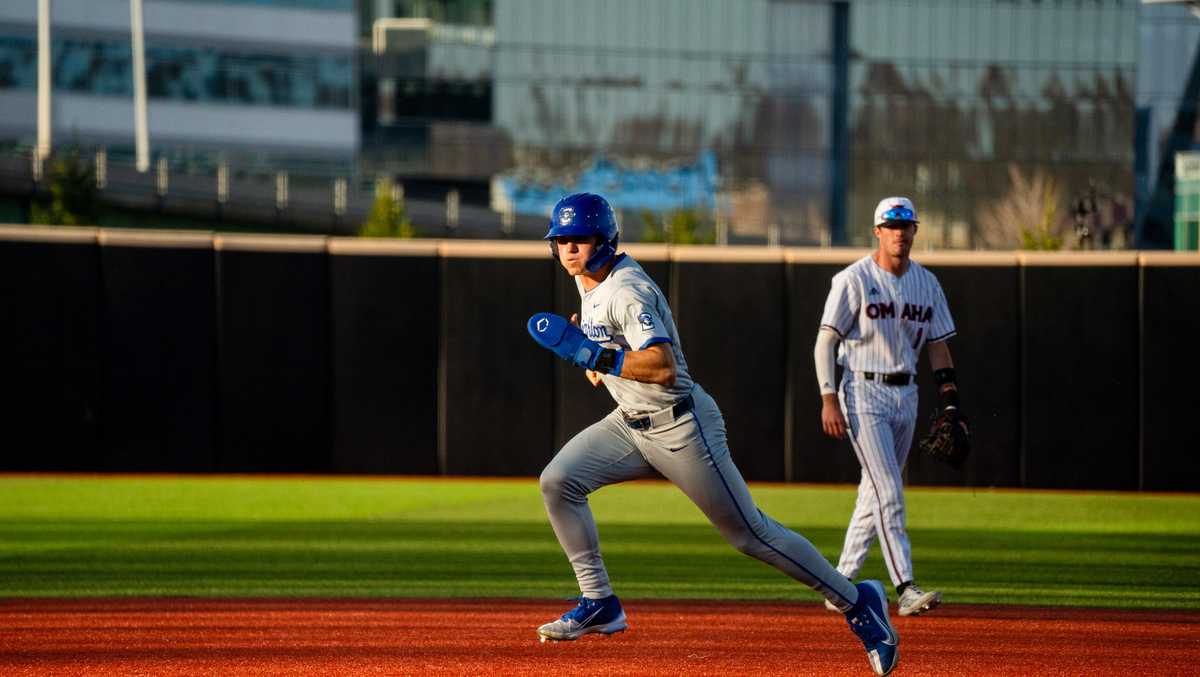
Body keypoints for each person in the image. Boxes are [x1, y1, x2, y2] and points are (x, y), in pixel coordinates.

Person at [527, 192, 899, 676]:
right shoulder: (589, 281)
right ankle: (600, 601)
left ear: (605, 240)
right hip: (630, 424)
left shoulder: (626, 289)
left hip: (681, 425)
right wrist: (596, 359)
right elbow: (613, 358)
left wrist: (595, 357)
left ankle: (857, 602)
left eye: (580, 239)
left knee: (751, 535)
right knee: (558, 481)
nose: (569, 249)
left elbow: (660, 366)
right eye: (562, 240)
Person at [814, 196, 964, 617]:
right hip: (862, 392)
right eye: (891, 226)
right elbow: (826, 340)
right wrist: (828, 396)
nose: (899, 233)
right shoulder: (853, 279)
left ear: (915, 230)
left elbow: (938, 346)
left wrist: (950, 401)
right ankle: (906, 587)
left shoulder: (927, 283)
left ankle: (837, 584)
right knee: (889, 491)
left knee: (874, 493)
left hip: (907, 393)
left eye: (906, 225)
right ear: (877, 231)